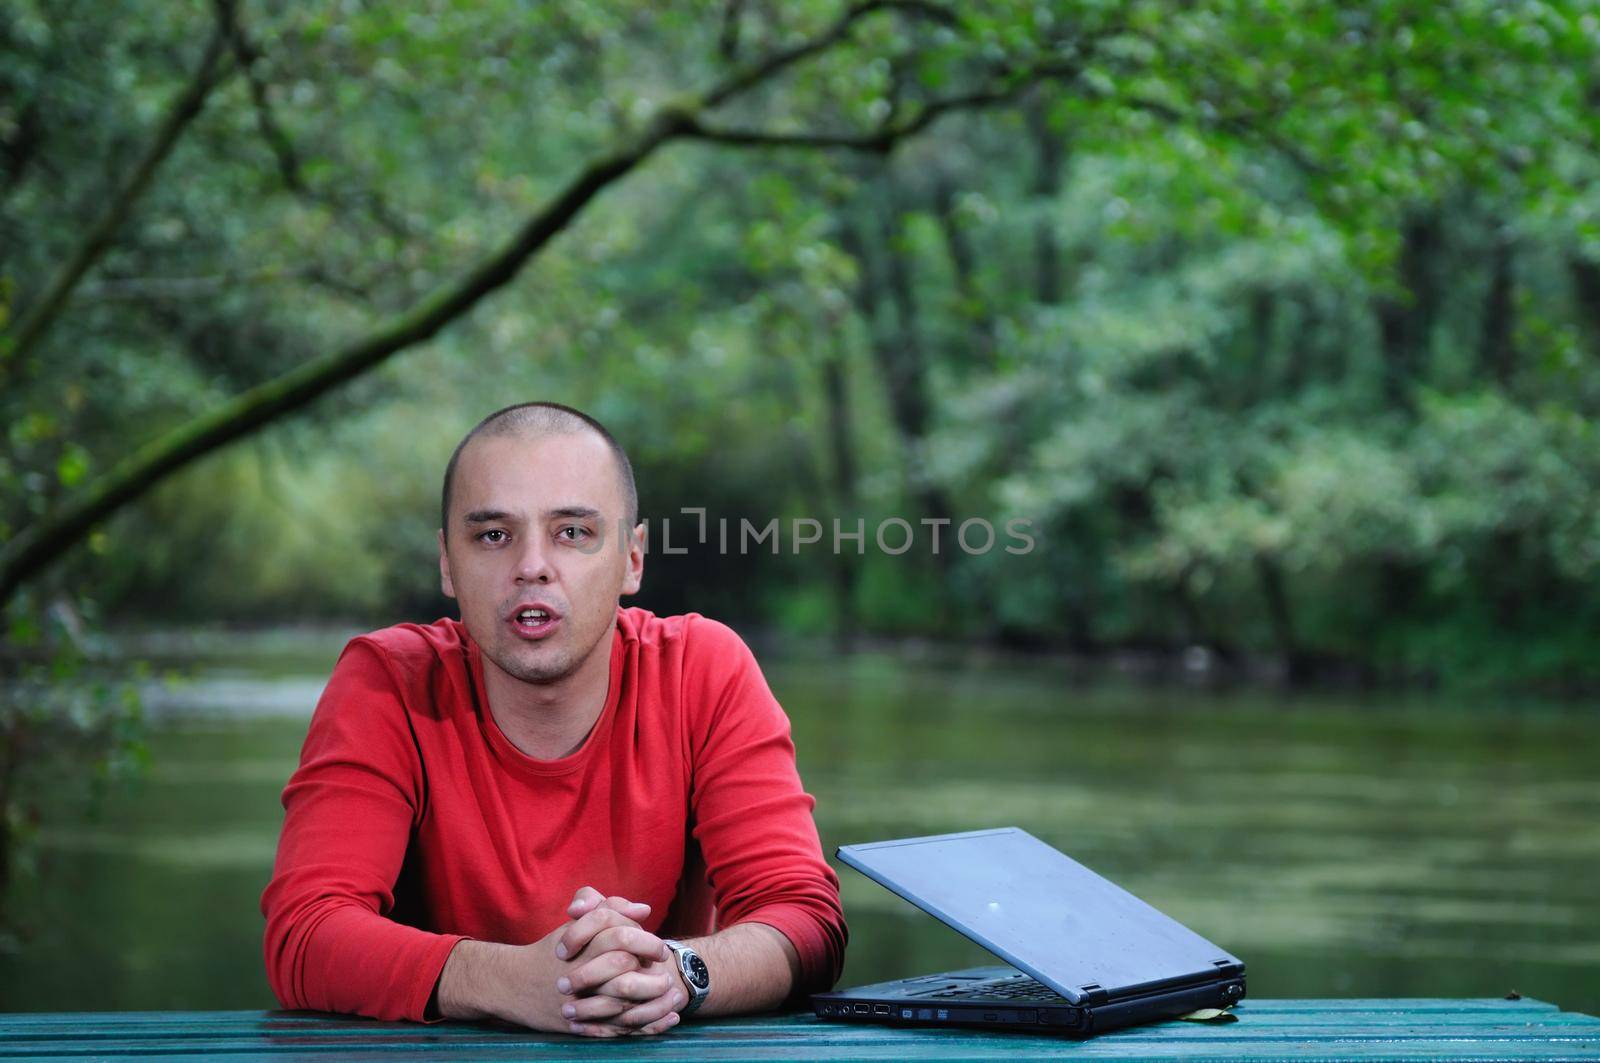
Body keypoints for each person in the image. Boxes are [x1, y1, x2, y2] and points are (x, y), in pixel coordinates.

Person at [260, 402, 846, 1038]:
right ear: (447, 563)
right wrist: (510, 980)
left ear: (632, 559)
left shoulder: (702, 671)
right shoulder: (388, 682)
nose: (531, 565)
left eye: (572, 533)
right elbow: (306, 934)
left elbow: (804, 920)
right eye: (492, 536)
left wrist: (675, 972)